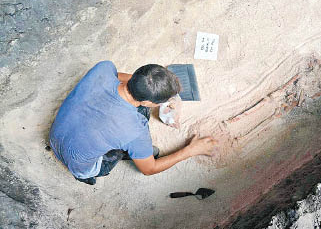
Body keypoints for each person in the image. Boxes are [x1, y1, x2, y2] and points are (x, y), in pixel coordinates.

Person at [49, 61, 217, 185]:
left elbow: (119, 77)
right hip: (80, 167)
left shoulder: (103, 68)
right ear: (148, 102)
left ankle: (135, 149)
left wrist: (150, 90)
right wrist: (192, 150)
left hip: (56, 136)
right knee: (138, 128)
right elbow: (149, 169)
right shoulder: (135, 129)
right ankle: (128, 154)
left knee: (116, 133)